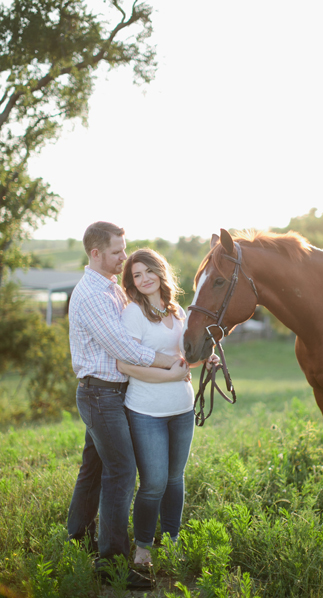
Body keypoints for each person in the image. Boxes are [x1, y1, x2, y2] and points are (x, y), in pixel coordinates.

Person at [67, 222, 188, 590]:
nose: (124, 257)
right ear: (96, 253)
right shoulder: (91, 295)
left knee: (94, 468)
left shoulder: (111, 290)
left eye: (124, 250)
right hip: (100, 394)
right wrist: (169, 363)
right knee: (122, 472)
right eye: (118, 252)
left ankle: (76, 537)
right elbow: (125, 349)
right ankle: (112, 562)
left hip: (112, 394)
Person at [116, 248, 213, 567]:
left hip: (181, 410)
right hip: (146, 412)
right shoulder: (133, 313)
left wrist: (204, 360)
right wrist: (166, 377)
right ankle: (143, 547)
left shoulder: (178, 312)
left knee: (175, 479)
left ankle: (171, 540)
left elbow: (183, 363)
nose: (143, 280)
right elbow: (124, 364)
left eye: (148, 272)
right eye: (136, 275)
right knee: (154, 482)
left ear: (161, 273)